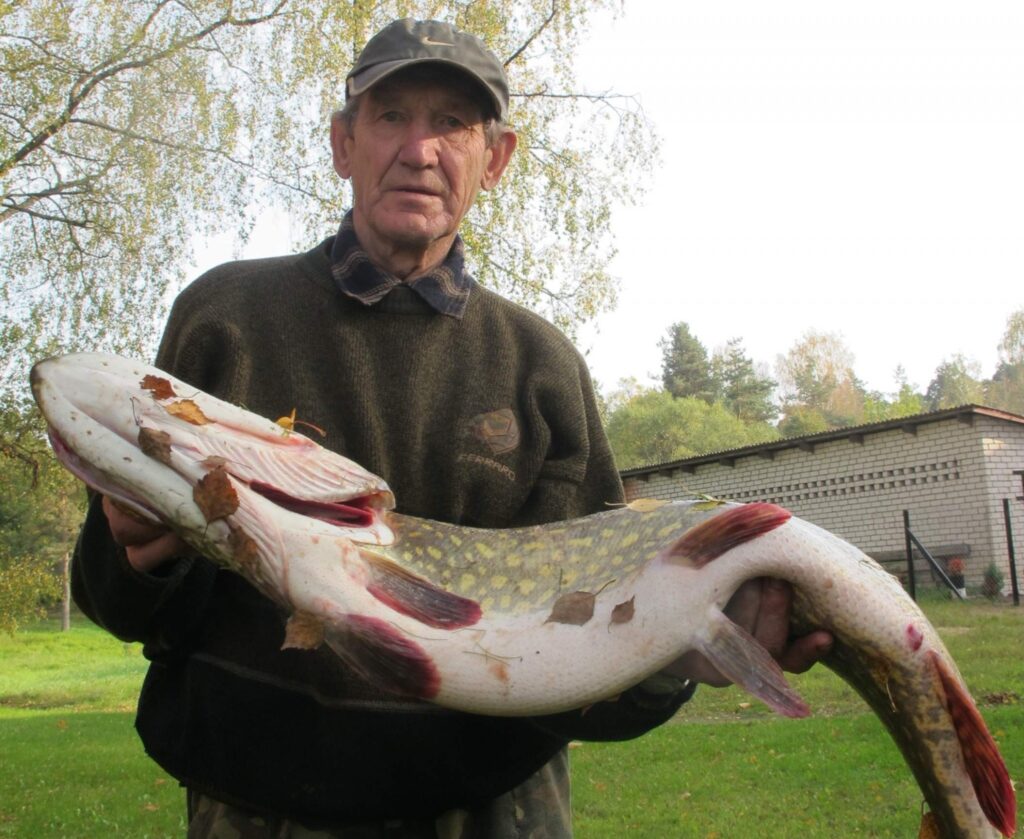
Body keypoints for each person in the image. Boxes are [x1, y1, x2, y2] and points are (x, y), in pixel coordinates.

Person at [71, 18, 831, 838]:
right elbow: (123, 601)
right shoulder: (224, 318)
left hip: (494, 809)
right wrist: (140, 561)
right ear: (342, 143)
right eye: (391, 115)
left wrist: (673, 653)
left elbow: (583, 661)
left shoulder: (543, 367)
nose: (420, 148)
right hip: (259, 809)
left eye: (452, 124)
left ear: (495, 158)